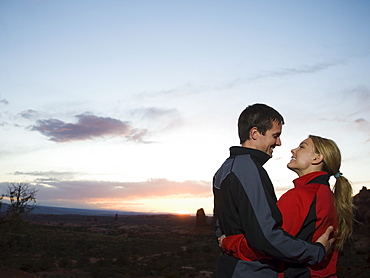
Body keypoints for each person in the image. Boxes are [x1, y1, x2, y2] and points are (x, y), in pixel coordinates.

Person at [213, 104, 334, 277]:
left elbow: (220, 224)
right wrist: (317, 250)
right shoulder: (248, 169)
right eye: (275, 136)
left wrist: (226, 243)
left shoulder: (225, 169)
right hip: (251, 271)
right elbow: (266, 238)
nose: (279, 143)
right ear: (255, 133)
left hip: (231, 268)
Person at [221, 135, 354, 277]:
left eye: (302, 147)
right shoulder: (326, 194)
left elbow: (268, 244)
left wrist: (229, 243)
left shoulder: (301, 196)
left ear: (317, 158)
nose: (293, 150)